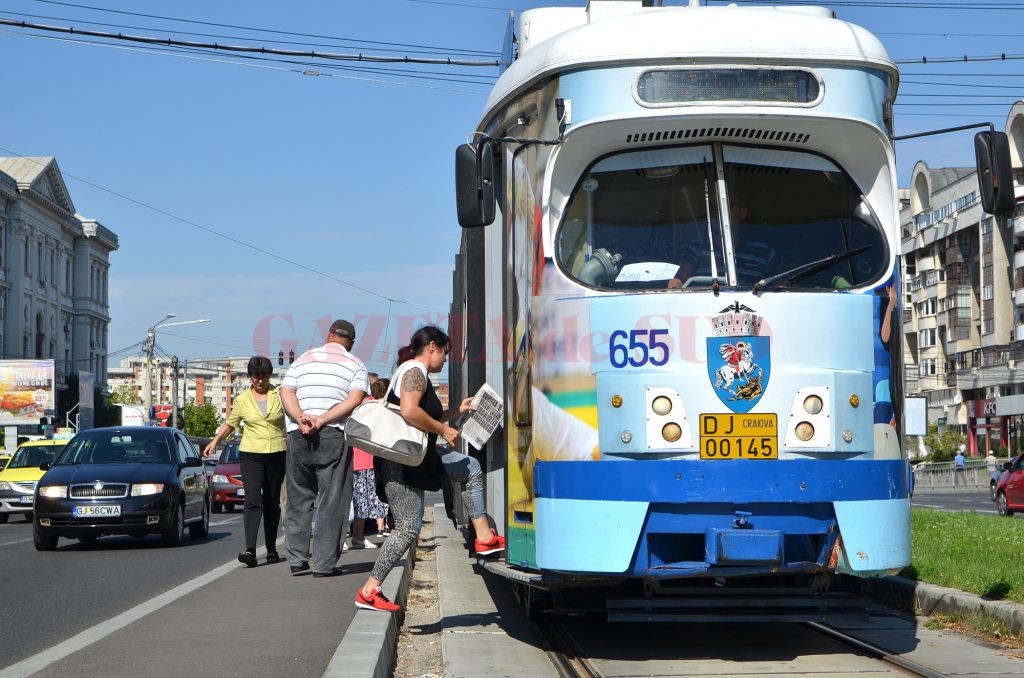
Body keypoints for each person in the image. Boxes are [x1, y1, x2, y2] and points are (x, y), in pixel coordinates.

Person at [356, 326, 506, 613]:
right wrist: (443, 429)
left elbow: (421, 413)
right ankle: (368, 590)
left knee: (469, 467)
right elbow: (411, 412)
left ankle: (485, 538)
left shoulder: (416, 373)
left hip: (415, 457)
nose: (446, 359)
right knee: (406, 530)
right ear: (433, 347)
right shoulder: (414, 371)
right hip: (400, 462)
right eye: (446, 353)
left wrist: (456, 411)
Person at [279, 319, 368, 578]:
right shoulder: (355, 364)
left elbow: (286, 391)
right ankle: (323, 564)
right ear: (351, 342)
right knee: (333, 500)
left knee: (298, 499)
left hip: (299, 433)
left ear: (328, 336)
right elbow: (355, 399)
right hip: (333, 433)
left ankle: (296, 559)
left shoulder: (303, 359)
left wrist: (300, 418)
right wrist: (323, 419)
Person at [203, 356, 288, 567]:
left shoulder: (280, 395)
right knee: (252, 500)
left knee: (272, 502)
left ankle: (271, 549)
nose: (260, 380)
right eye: (256, 376)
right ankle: (250, 549)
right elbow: (230, 424)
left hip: (277, 452)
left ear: (270, 375)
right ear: (250, 377)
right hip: (251, 454)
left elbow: (294, 416)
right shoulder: (242, 400)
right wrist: (215, 442)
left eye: (264, 376)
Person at [667, 198, 776, 289]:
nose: (717, 213)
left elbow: (781, 283)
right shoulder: (693, 249)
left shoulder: (764, 251)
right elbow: (678, 279)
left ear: (742, 213)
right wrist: (674, 288)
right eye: (713, 208)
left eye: (726, 206)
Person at [347, 378, 391, 550]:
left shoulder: (362, 404)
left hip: (358, 459)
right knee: (360, 503)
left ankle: (357, 536)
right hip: (367, 460)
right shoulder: (377, 407)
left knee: (358, 503)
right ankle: (354, 536)